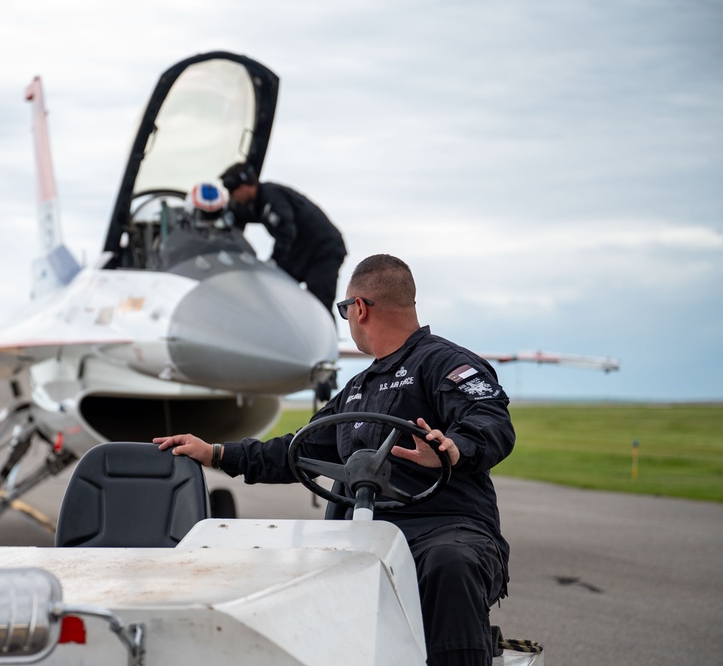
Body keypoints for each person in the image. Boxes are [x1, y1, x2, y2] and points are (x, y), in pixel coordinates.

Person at [154, 254, 513, 666]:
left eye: (345, 310)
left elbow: (491, 421)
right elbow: (298, 452)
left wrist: (453, 448)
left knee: (451, 564)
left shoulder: (445, 364)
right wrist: (218, 453)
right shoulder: (358, 389)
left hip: (444, 529)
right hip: (361, 533)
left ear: (358, 308)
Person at [219, 162, 347, 312]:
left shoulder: (272, 198)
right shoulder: (255, 203)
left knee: (318, 306)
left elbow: (286, 233)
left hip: (323, 252)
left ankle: (325, 335)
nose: (231, 197)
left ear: (243, 187)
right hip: (299, 252)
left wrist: (273, 263)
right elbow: (236, 215)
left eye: (231, 192)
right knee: (274, 294)